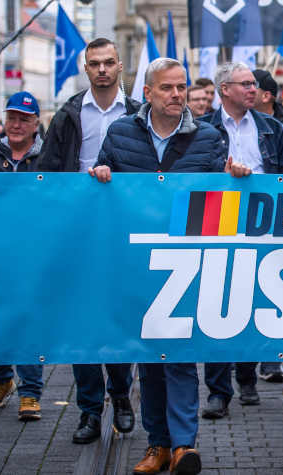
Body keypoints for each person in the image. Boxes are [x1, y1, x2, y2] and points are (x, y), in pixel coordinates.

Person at [92, 58, 227, 475]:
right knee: (149, 359)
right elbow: (103, 178)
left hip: (186, 261)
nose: (176, 95)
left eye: (181, 87)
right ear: (147, 93)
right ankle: (158, 444)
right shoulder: (120, 132)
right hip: (136, 261)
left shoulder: (207, 137)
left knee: (181, 356)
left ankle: (185, 444)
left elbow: (220, 197)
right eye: (167, 88)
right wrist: (99, 173)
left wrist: (233, 176)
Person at [37, 37, 139, 443]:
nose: (101, 70)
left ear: (120, 67)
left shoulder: (136, 112)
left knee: (116, 314)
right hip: (78, 228)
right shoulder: (68, 114)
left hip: (122, 227)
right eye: (94, 63)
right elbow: (48, 170)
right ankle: (89, 411)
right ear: (85, 68)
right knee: (80, 321)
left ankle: (121, 393)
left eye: (108, 63)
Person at [199, 62, 283, 418]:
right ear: (225, 89)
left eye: (254, 84)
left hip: (261, 223)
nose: (253, 89)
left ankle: (248, 376)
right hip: (218, 221)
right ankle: (218, 391)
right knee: (217, 303)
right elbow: (193, 173)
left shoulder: (272, 128)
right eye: (245, 84)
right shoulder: (202, 127)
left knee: (253, 302)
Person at [0, 91, 45, 420]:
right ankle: (0, 378)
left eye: (24, 118)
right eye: (12, 118)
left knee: (27, 316)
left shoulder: (47, 157)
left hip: (34, 249)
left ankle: (30, 391)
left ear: (36, 124)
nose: (17, 124)